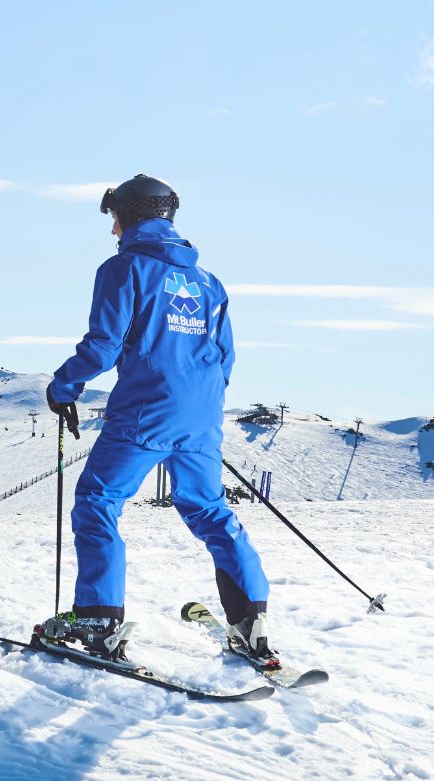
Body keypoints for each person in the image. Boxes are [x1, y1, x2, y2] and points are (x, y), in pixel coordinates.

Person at [39, 175, 274, 663]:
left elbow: (102, 346)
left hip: (145, 412)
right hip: (202, 416)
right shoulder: (209, 283)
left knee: (97, 501)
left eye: (114, 219)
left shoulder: (124, 268)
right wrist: (195, 406)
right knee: (209, 511)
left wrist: (63, 387)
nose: (112, 230)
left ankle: (98, 619)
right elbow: (225, 357)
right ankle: (251, 621)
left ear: (129, 215)